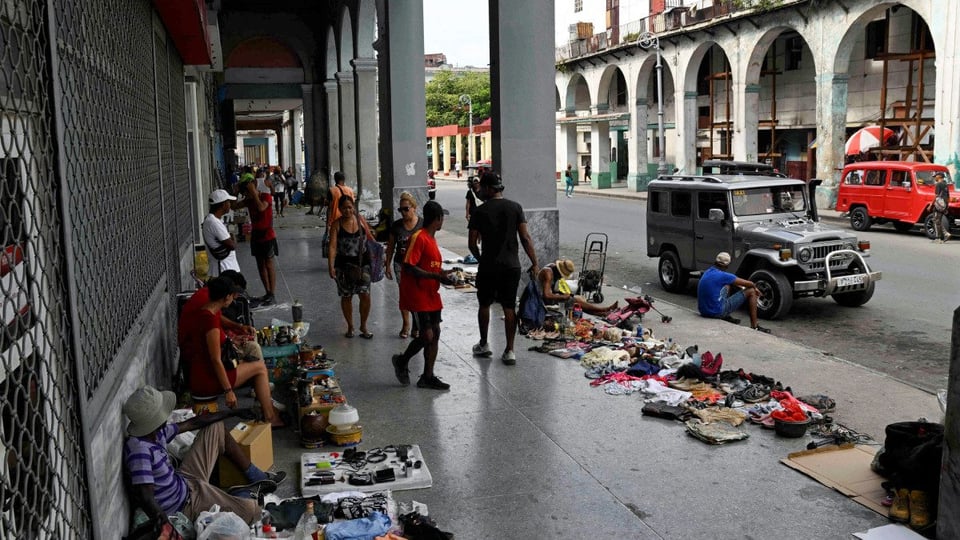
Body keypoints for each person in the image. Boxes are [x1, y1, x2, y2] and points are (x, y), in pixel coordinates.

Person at [123, 386, 285, 527]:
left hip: (185, 481)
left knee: (215, 426)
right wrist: (167, 528)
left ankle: (255, 476)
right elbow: (146, 496)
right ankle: (238, 495)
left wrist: (234, 412)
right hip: (186, 506)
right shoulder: (140, 451)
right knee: (251, 511)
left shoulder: (155, 433)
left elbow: (194, 423)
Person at [178, 277, 285, 427]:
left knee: (253, 363)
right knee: (260, 367)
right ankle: (270, 417)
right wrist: (228, 391)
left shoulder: (208, 311)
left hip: (201, 372)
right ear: (226, 296)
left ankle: (267, 408)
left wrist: (235, 335)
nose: (233, 299)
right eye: (232, 295)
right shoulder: (210, 321)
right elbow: (215, 359)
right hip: (207, 378)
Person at [468, 172, 539, 365]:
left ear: (489, 189)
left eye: (482, 187)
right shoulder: (515, 208)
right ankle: (509, 350)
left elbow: (472, 244)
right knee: (509, 307)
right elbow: (525, 238)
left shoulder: (479, 211)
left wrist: (481, 259)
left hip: (489, 266)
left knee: (484, 304)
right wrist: (535, 262)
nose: (480, 191)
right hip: (511, 266)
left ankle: (484, 344)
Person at [391, 201, 455, 390]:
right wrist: (436, 276)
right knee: (427, 335)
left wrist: (444, 273)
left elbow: (430, 266)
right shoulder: (419, 237)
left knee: (435, 333)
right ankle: (402, 361)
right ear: (438, 219)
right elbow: (409, 266)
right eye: (442, 218)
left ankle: (428, 376)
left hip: (431, 294)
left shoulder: (432, 239)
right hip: (418, 294)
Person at [328, 195, 374, 339]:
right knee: (346, 296)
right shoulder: (336, 225)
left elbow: (370, 238)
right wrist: (331, 265)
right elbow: (333, 246)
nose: (348, 210)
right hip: (343, 267)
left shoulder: (360, 220)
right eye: (344, 208)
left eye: (350, 207)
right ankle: (350, 326)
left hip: (362, 265)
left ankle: (363, 325)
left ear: (353, 207)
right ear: (340, 209)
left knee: (365, 295)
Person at [696, 252, 770, 333]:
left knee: (727, 284)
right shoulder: (725, 276)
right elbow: (750, 284)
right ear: (727, 265)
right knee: (751, 291)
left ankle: (726, 316)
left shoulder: (708, 271)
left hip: (703, 311)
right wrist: (756, 289)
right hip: (716, 312)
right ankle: (755, 326)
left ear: (715, 262)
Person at [385, 192, 423, 339]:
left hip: (418, 265)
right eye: (400, 210)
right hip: (401, 264)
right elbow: (390, 247)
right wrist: (387, 265)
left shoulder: (422, 224)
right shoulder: (396, 226)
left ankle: (416, 324)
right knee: (405, 294)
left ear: (414, 208)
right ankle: (406, 324)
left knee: (417, 295)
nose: (403, 212)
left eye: (406, 209)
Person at [239, 175, 277, 304]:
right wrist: (235, 191)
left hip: (267, 235)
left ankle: (272, 293)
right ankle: (267, 292)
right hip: (256, 236)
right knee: (260, 265)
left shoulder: (265, 196)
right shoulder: (249, 200)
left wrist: (254, 193)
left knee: (269, 264)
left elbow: (261, 208)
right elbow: (233, 206)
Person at [537, 259, 618, 315]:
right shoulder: (548, 273)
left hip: (549, 295)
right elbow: (546, 295)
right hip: (540, 299)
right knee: (575, 300)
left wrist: (564, 293)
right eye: (562, 275)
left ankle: (601, 313)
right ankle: (604, 310)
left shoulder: (552, 268)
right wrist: (563, 296)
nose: (561, 277)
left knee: (576, 300)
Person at [203, 189, 240, 277]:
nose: (230, 205)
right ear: (223, 204)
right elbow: (232, 245)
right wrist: (232, 237)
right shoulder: (213, 222)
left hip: (227, 268)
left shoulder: (215, 220)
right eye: (228, 202)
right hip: (224, 269)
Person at [932, 172, 951, 243]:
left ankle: (939, 238)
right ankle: (944, 234)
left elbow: (936, 196)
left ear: (939, 176)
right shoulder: (946, 185)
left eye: (936, 176)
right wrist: (946, 206)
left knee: (936, 220)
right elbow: (948, 196)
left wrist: (931, 204)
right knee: (937, 220)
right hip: (944, 204)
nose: (935, 178)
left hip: (939, 205)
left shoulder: (938, 184)